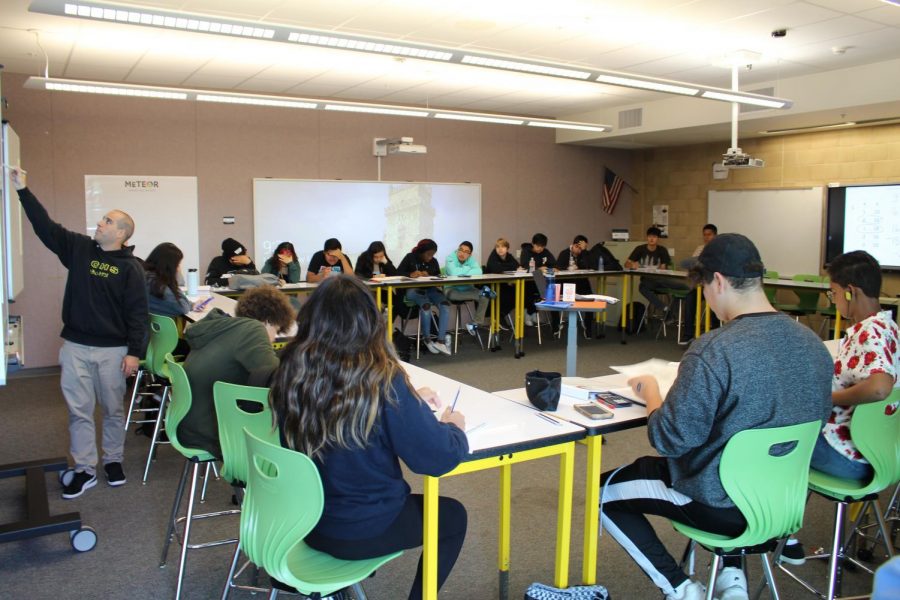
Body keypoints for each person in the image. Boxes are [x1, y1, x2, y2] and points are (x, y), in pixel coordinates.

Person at [600, 233, 832, 600]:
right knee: (733, 441)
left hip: (719, 505)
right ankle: (732, 574)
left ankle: (680, 588)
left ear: (719, 282)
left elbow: (668, 439)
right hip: (784, 502)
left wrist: (652, 394)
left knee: (605, 491)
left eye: (704, 287)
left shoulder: (714, 349)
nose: (705, 297)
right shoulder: (813, 345)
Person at [270, 275, 468, 600]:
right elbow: (437, 458)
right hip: (359, 528)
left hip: (302, 521)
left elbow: (339, 405)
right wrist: (454, 427)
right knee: (453, 517)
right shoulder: (380, 380)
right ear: (369, 322)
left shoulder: (292, 368)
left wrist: (408, 398)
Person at [11, 167, 148, 499]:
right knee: (79, 410)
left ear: (122, 233)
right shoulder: (80, 249)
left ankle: (113, 460)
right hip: (75, 346)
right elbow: (45, 228)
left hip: (113, 351)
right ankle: (85, 467)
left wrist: (134, 353)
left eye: (107, 221)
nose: (99, 223)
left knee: (114, 410)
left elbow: (138, 315)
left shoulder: (132, 268)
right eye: (101, 219)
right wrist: (23, 190)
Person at [783, 250, 900, 566]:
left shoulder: (868, 332)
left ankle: (783, 532)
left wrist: (827, 399)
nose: (834, 302)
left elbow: (879, 387)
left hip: (849, 457)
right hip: (882, 458)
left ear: (852, 291)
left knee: (773, 439)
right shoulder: (888, 327)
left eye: (834, 294)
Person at [180, 286, 295, 458]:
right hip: (211, 432)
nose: (272, 340)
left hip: (191, 423)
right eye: (276, 332)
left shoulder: (224, 328)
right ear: (269, 321)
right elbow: (275, 377)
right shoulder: (253, 330)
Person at [397, 239, 452, 355]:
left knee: (445, 305)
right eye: (428, 254)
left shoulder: (434, 262)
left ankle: (440, 341)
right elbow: (397, 273)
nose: (430, 257)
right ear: (421, 251)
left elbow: (439, 276)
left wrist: (431, 275)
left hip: (431, 290)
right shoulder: (410, 257)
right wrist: (410, 275)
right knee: (426, 306)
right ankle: (427, 339)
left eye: (433, 255)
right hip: (414, 291)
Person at [625, 226, 682, 318]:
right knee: (642, 287)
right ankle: (665, 308)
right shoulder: (640, 249)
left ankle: (671, 311)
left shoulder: (662, 250)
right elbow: (626, 264)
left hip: (661, 279)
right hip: (647, 280)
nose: (651, 239)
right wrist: (632, 265)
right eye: (650, 236)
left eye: (654, 237)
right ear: (647, 237)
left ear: (658, 239)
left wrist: (662, 268)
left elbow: (664, 268)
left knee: (682, 286)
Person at [680, 224, 719, 344]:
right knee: (690, 298)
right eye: (704, 235)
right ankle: (688, 335)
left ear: (715, 235)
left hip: (716, 287)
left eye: (709, 235)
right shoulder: (699, 249)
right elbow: (693, 266)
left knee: (715, 303)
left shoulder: (720, 249)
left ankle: (715, 333)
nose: (706, 237)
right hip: (701, 286)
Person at [444, 240, 492, 336]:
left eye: (466, 252)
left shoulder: (471, 260)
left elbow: (479, 271)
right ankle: (486, 292)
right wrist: (468, 268)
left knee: (485, 297)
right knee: (484, 293)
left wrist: (461, 270)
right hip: (452, 290)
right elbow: (454, 273)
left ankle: (474, 324)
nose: (462, 253)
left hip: (468, 288)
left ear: (470, 254)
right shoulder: (450, 258)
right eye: (461, 250)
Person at [144, 242, 193, 317]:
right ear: (169, 266)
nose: (179, 268)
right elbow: (183, 308)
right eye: (178, 264)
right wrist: (174, 281)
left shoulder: (145, 276)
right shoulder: (156, 284)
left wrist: (191, 305)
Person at [520, 233, 557, 326]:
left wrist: (552, 268)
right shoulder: (526, 252)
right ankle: (530, 313)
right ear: (533, 244)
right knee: (534, 290)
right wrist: (539, 268)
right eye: (538, 246)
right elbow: (524, 265)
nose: (540, 248)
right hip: (528, 280)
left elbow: (553, 264)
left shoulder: (546, 252)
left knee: (550, 289)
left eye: (542, 246)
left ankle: (532, 313)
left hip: (542, 279)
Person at [485, 238, 522, 328]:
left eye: (503, 247)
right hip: (492, 286)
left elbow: (517, 266)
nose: (500, 249)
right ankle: (498, 317)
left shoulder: (509, 256)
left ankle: (500, 316)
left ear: (507, 248)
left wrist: (503, 267)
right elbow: (495, 268)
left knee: (519, 294)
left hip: (505, 284)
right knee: (505, 294)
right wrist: (508, 267)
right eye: (498, 247)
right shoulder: (493, 255)